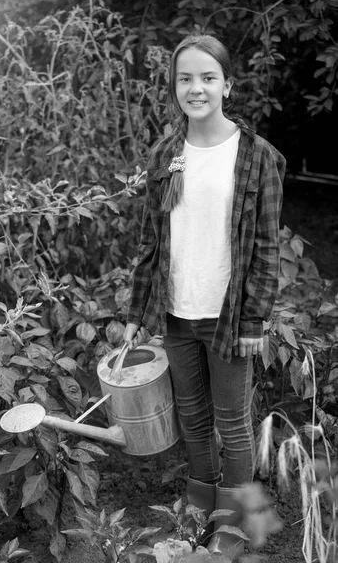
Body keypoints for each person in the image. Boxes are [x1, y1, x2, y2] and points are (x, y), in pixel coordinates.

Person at [123, 33, 286, 561]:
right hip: (177, 312)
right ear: (174, 88)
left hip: (229, 314)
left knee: (232, 422)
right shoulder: (165, 155)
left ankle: (236, 524)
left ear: (227, 86)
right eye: (185, 78)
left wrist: (256, 318)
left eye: (208, 77)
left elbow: (265, 245)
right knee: (192, 416)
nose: (197, 88)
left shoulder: (257, 156)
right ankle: (200, 507)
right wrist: (136, 312)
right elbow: (152, 239)